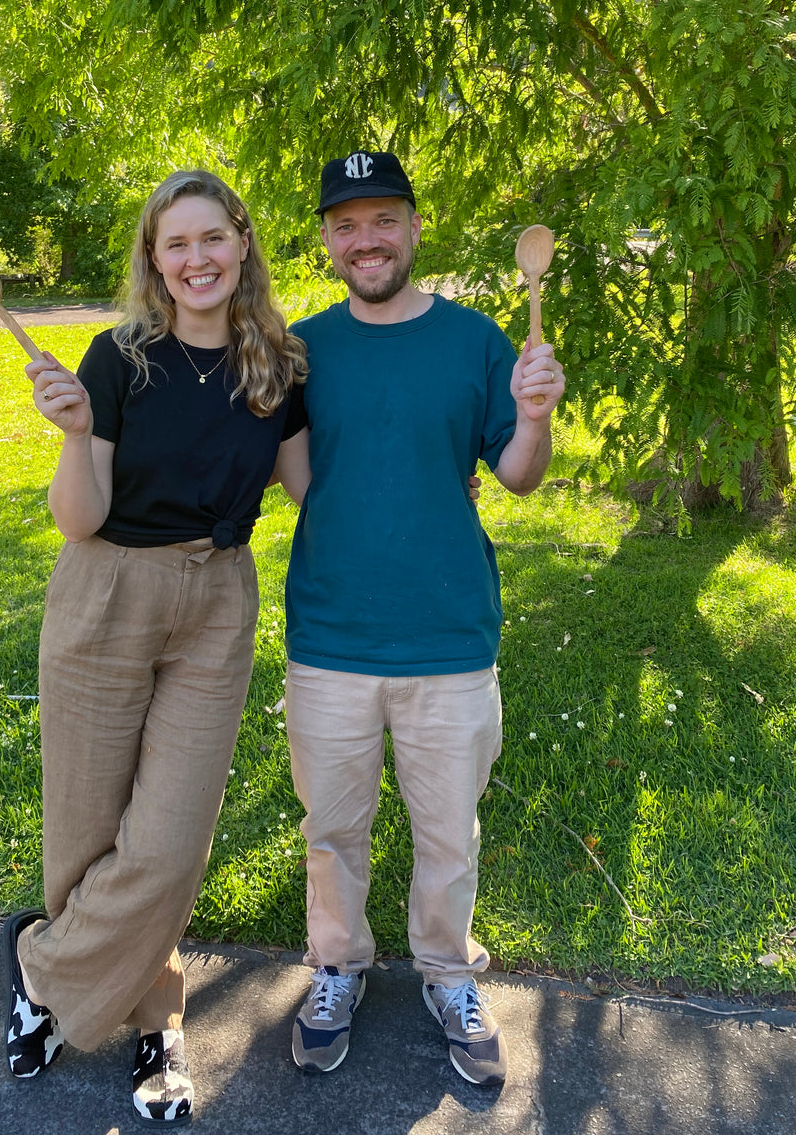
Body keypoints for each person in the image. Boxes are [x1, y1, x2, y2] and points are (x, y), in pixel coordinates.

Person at [3, 170, 308, 1123]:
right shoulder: (119, 359)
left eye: (211, 238)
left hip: (216, 603)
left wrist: (432, 484)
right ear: (155, 260)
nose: (196, 259)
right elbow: (79, 517)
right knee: (87, 837)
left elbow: (315, 494)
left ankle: (41, 968)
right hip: (107, 591)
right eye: (174, 245)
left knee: (168, 847)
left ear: (242, 243)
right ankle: (156, 1021)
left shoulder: (280, 368)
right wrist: (75, 434)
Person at [281, 151, 565, 1087]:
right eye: (346, 223)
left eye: (384, 219)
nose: (366, 238)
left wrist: (534, 415)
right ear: (327, 240)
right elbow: (296, 481)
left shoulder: (479, 342)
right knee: (334, 831)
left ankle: (448, 972)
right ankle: (337, 966)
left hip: (449, 638)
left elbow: (519, 476)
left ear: (413, 227)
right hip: (331, 638)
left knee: (449, 834)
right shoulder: (303, 350)